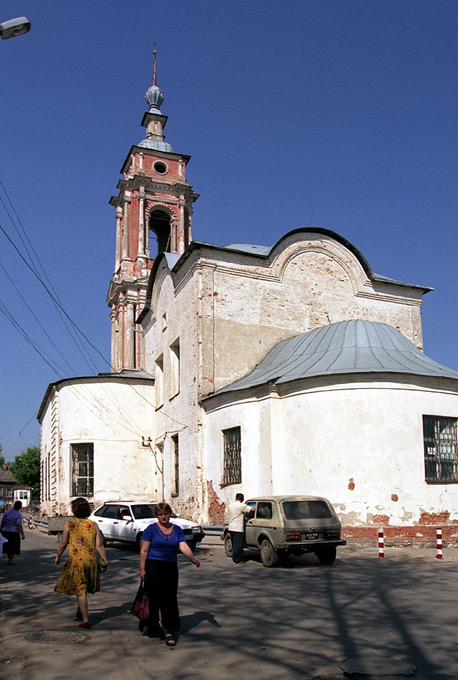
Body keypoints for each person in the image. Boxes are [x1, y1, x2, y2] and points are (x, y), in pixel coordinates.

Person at [139, 502, 200, 646]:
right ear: (157, 516)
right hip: (153, 566)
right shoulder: (151, 529)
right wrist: (142, 569)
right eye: (160, 515)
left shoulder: (177, 529)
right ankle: (152, 626)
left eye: (166, 514)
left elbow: (183, 546)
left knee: (169, 599)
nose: (163, 517)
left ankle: (168, 631)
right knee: (154, 599)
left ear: (169, 514)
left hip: (170, 567)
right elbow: (144, 550)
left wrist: (193, 559)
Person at [54, 497, 108, 629]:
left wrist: (58, 555)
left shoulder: (70, 524)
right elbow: (99, 545)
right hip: (91, 561)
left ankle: (85, 619)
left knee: (80, 590)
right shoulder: (93, 525)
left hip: (77, 562)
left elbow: (63, 543)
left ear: (74, 510)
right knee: (84, 587)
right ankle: (80, 609)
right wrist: (105, 560)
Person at [228, 493, 254, 565]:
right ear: (242, 499)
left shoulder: (230, 505)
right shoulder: (241, 506)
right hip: (238, 528)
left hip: (231, 527)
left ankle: (235, 557)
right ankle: (236, 560)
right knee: (238, 545)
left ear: (235, 498)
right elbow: (252, 509)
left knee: (234, 544)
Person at [1, 500, 25, 565]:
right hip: (14, 532)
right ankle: (11, 560)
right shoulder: (18, 514)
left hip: (6, 531)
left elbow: (3, 522)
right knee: (13, 546)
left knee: (8, 546)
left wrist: (0, 529)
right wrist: (22, 534)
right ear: (20, 507)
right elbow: (19, 525)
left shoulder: (7, 512)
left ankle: (9, 559)